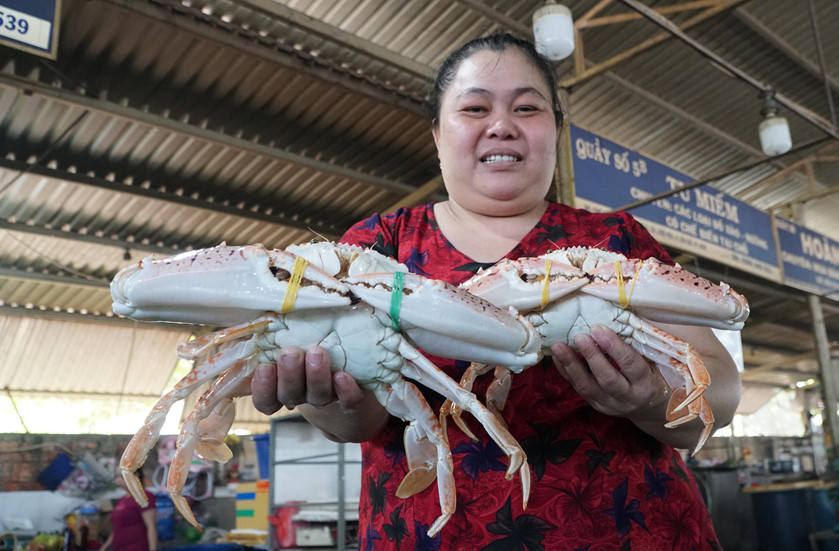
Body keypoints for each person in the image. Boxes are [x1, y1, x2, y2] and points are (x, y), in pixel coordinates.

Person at [252, 32, 740, 550]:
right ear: (438, 135)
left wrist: (650, 399)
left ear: (555, 130)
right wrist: (328, 402)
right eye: (475, 108)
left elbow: (720, 395)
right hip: (429, 533)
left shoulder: (615, 245)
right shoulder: (375, 249)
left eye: (527, 107)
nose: (502, 126)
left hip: (632, 529)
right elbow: (359, 421)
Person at [99, 467, 157, 551]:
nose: (118, 480)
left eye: (121, 476)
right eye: (117, 476)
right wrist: (104, 547)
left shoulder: (144, 496)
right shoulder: (123, 499)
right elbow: (117, 528)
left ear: (135, 476)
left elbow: (151, 526)